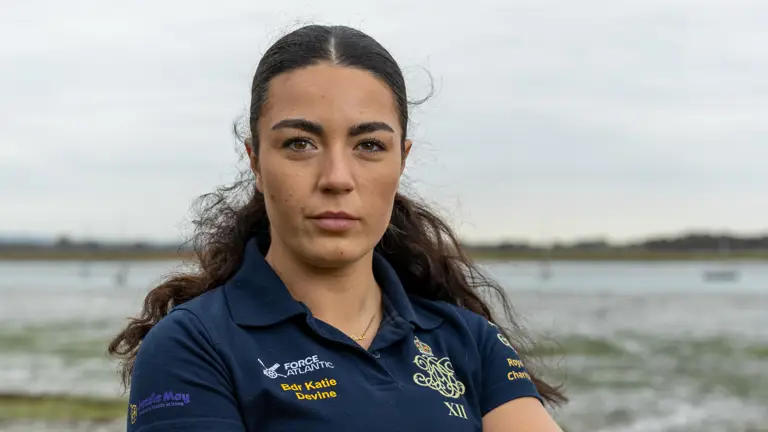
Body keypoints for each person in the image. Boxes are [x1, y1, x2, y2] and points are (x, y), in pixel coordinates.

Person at [109, 24, 566, 431]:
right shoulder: (193, 346)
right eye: (300, 143)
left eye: (369, 145)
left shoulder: (470, 340)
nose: (337, 178)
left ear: (402, 160)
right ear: (256, 162)